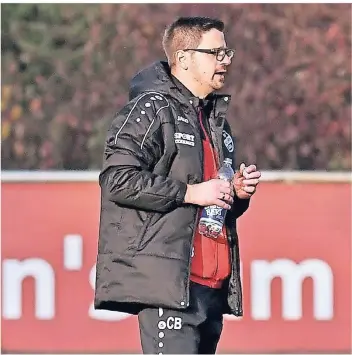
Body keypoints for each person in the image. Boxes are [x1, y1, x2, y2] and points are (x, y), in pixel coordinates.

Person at [94, 16, 261, 354]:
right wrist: (190, 192)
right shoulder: (152, 109)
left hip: (210, 288)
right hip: (169, 288)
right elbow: (117, 180)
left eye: (227, 52)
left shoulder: (216, 123)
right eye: (216, 52)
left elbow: (212, 202)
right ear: (183, 58)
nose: (225, 60)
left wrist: (236, 194)